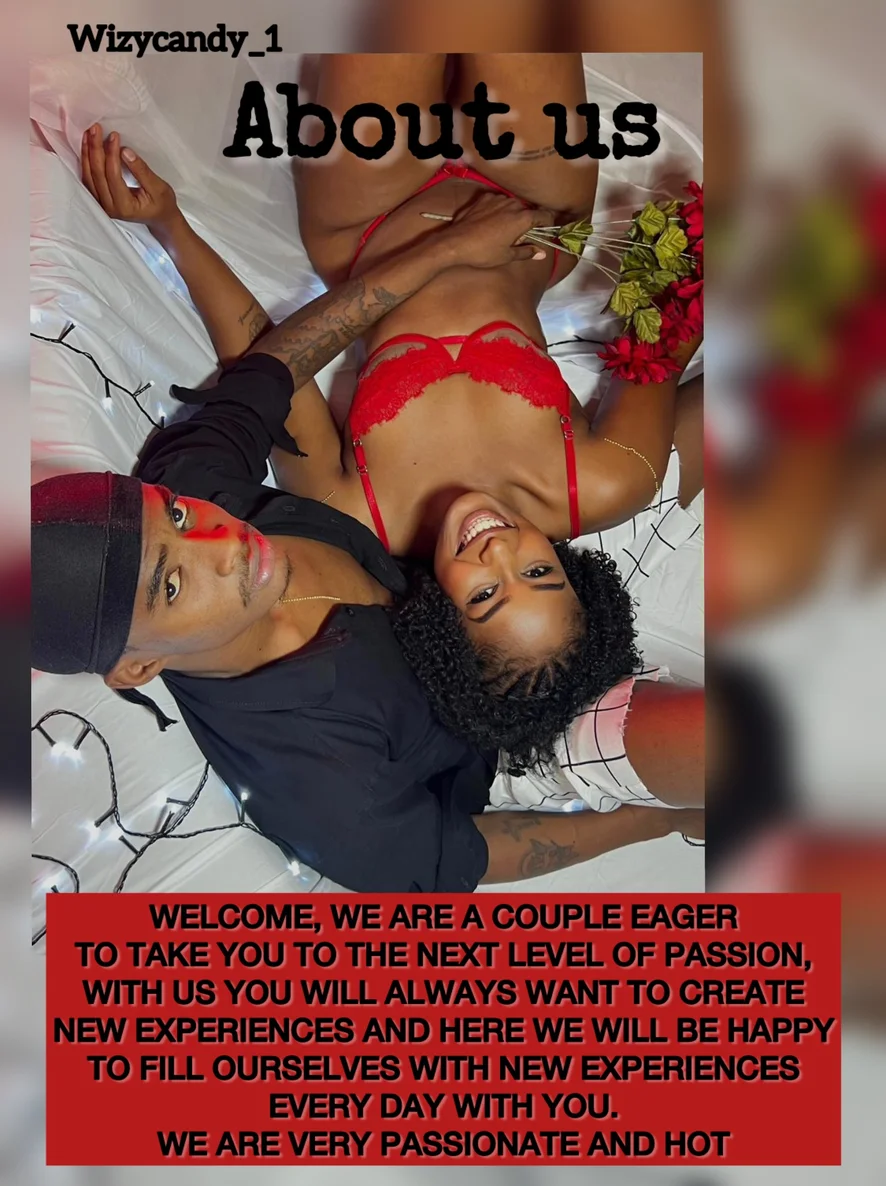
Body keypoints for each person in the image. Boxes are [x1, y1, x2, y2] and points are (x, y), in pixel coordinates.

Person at [31, 113, 702, 894]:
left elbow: (269, 369)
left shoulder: (198, 484)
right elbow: (458, 856)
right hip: (510, 731)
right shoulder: (325, 787)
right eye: (172, 584)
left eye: (175, 518)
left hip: (500, 573)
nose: (222, 540)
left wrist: (171, 227)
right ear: (137, 667)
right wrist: (655, 823)